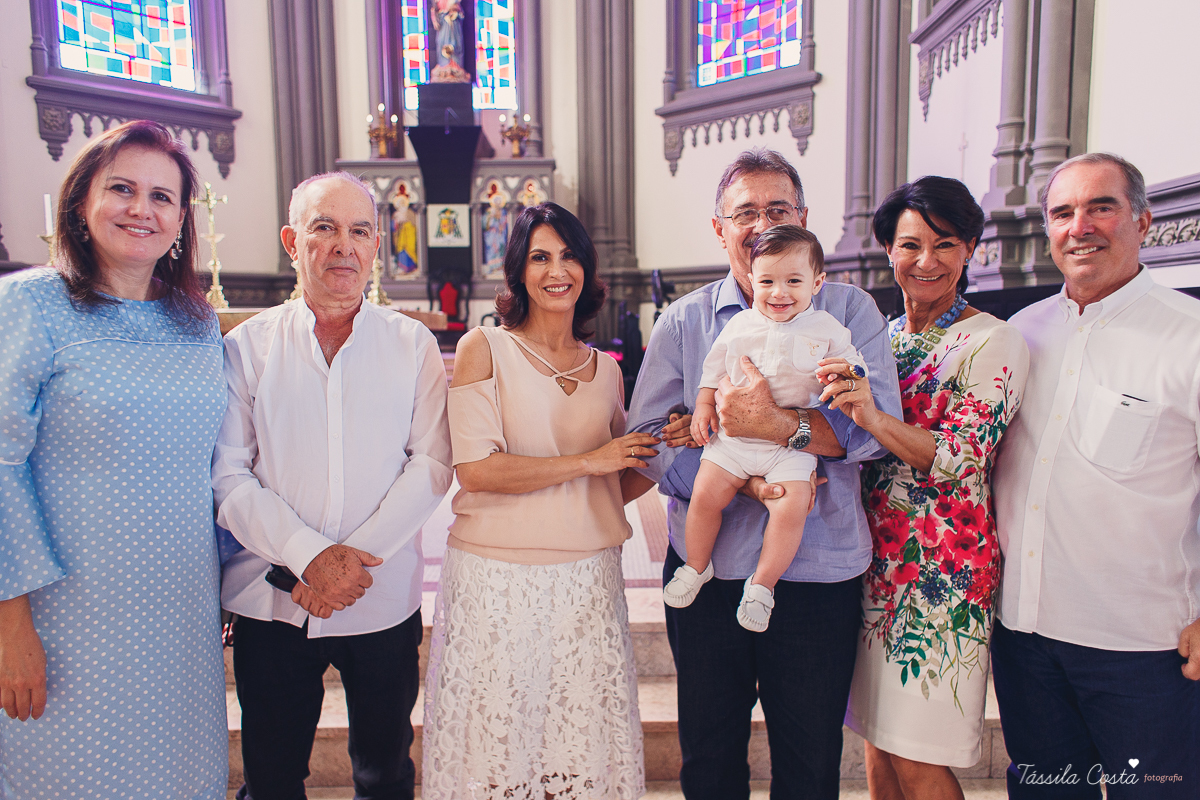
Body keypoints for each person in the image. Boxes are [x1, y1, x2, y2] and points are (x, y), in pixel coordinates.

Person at [626, 147, 903, 799]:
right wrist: (738, 478)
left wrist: (780, 427)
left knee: (808, 765)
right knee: (711, 759)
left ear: (803, 219)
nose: (760, 223)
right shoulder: (686, 322)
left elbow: (874, 432)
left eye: (777, 209)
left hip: (817, 573)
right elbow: (650, 441)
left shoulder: (849, 314)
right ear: (718, 228)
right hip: (710, 578)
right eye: (743, 212)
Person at [0, 120, 227, 798]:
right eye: (122, 189)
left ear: (182, 219)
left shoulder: (196, 320)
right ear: (80, 202)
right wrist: (10, 624)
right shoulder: (31, 302)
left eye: (162, 196)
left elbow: (209, 466)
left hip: (180, 612)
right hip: (67, 615)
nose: (142, 208)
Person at [212, 172, 452, 800]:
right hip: (273, 602)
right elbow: (229, 475)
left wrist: (349, 561)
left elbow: (431, 463)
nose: (344, 245)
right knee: (271, 774)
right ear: (293, 242)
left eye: (359, 231)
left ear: (376, 246)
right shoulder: (246, 348)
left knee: (385, 772)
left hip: (380, 598)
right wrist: (310, 556)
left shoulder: (412, 344)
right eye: (324, 228)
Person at [422, 202, 659, 800]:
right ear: (519, 272)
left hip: (586, 580)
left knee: (576, 748)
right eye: (540, 257)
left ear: (587, 269)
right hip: (498, 578)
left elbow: (613, 483)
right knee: (500, 747)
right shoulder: (486, 348)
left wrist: (658, 454)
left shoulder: (606, 369)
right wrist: (592, 459)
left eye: (570, 255)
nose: (558, 271)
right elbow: (476, 470)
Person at [991, 153, 1200, 798]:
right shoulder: (1020, 335)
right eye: (1062, 212)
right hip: (1026, 640)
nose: (1080, 226)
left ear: (1142, 219)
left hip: (1143, 651)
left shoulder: (1187, 336)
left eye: (1100, 207)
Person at [828, 176, 1029, 799]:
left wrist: (870, 416)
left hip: (941, 576)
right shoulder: (881, 338)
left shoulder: (994, 340)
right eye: (910, 245)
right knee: (880, 747)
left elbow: (961, 460)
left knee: (920, 757)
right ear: (888, 249)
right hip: (874, 567)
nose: (926, 261)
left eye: (945, 244)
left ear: (970, 248)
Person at [664, 224, 867, 633]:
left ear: (817, 282)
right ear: (751, 281)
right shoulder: (740, 325)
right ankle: (697, 565)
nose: (779, 292)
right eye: (767, 281)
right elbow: (713, 368)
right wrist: (704, 406)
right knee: (705, 495)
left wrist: (848, 373)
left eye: (794, 281)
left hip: (791, 443)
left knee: (791, 508)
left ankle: (762, 585)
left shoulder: (827, 327)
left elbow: (854, 362)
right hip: (733, 439)